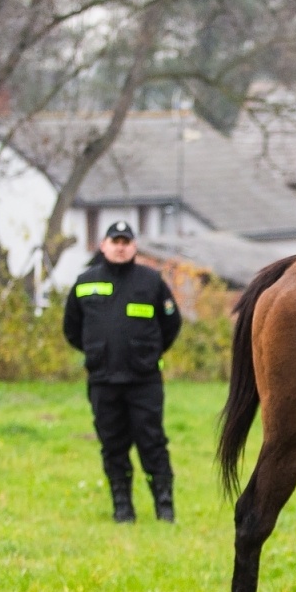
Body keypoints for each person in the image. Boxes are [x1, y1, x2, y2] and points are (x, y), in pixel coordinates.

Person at [63, 222, 183, 522]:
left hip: (144, 380)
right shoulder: (84, 282)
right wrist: (96, 352)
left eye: (125, 242)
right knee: (112, 445)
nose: (120, 247)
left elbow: (171, 323)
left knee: (152, 442)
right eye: (115, 242)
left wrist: (148, 353)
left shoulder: (151, 281)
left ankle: (164, 508)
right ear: (103, 245)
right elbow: (72, 328)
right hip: (103, 380)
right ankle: (122, 508)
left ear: (134, 246)